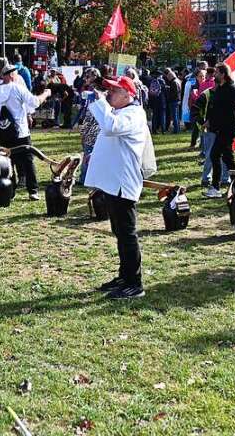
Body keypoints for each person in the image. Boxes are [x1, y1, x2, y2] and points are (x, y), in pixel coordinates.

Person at [84, 75, 150, 300]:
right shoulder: (121, 112)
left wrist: (101, 102)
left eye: (114, 90)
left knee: (127, 234)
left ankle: (134, 283)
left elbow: (111, 128)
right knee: (120, 232)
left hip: (123, 184)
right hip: (114, 184)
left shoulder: (133, 114)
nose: (109, 93)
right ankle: (124, 276)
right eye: (108, 90)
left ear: (127, 95)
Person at [0, 63, 50, 200]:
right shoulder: (17, 88)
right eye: (15, 73)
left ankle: (10, 190)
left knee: (7, 161)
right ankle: (33, 190)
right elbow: (34, 102)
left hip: (3, 131)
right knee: (27, 159)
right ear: (11, 75)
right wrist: (45, 94)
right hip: (20, 130)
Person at [203, 63, 235, 199]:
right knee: (227, 157)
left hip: (228, 129)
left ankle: (216, 187)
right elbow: (216, 109)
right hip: (218, 129)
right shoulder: (219, 89)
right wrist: (209, 121)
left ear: (223, 74)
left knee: (215, 155)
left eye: (216, 72)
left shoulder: (233, 89)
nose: (214, 74)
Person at [77, 67, 102, 185]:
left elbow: (92, 111)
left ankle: (85, 178)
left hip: (94, 124)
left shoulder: (97, 91)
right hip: (91, 123)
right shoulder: (90, 90)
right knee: (88, 151)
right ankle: (86, 177)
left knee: (89, 151)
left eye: (87, 76)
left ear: (94, 77)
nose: (85, 79)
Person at [148, 70, 166, 134]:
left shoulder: (150, 81)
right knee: (162, 115)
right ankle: (163, 130)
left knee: (154, 116)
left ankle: (154, 130)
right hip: (162, 100)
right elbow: (165, 91)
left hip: (154, 101)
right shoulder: (162, 81)